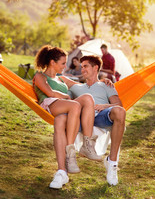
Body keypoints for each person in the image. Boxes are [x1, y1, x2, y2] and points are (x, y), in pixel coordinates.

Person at [33, 45, 101, 189]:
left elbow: (85, 87)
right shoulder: (40, 76)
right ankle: (70, 153)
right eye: (63, 63)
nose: (65, 66)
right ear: (52, 62)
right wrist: (66, 96)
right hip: (51, 105)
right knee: (75, 106)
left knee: (87, 98)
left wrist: (103, 83)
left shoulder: (62, 79)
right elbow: (50, 93)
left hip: (64, 112)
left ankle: (85, 147)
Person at [67, 55, 126, 186]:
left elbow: (119, 106)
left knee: (120, 112)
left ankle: (112, 163)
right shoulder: (76, 87)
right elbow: (58, 77)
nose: (82, 69)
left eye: (85, 66)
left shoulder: (106, 85)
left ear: (95, 68)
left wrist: (105, 106)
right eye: (81, 67)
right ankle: (64, 167)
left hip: (101, 116)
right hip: (82, 118)